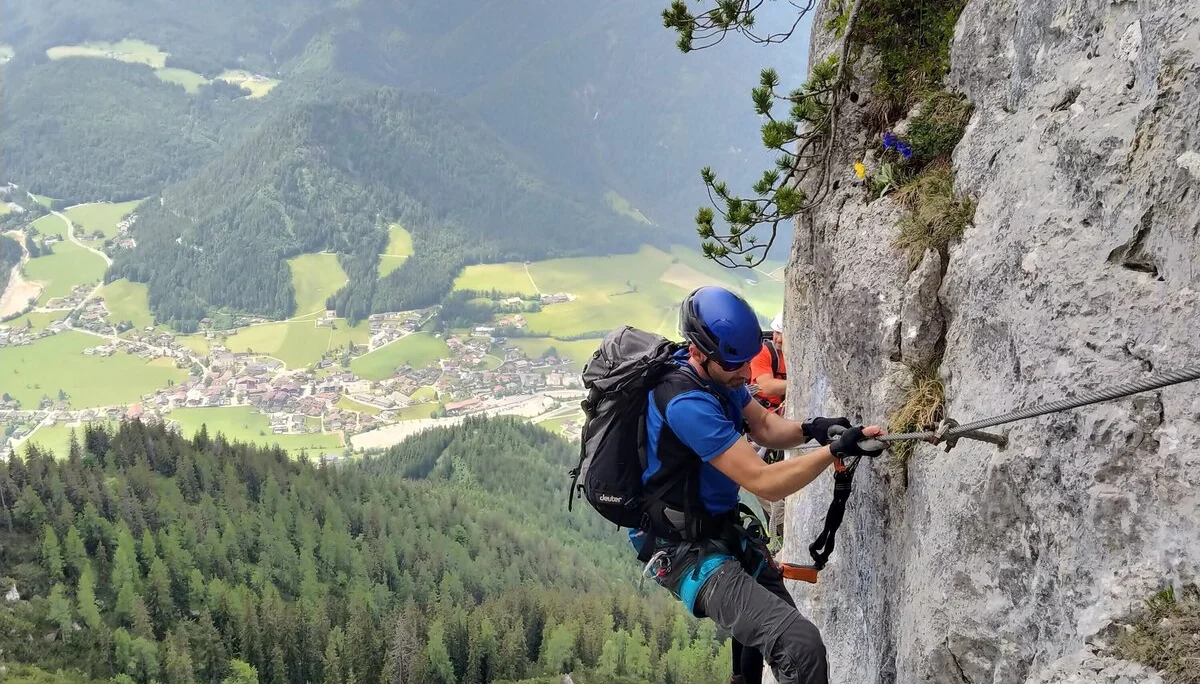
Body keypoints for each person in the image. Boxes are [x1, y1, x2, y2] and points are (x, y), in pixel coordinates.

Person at [630, 286, 886, 684]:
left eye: (748, 361)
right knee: (800, 647)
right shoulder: (686, 404)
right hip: (682, 550)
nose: (748, 375)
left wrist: (813, 429)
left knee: (778, 635)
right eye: (736, 365)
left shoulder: (720, 379)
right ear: (700, 353)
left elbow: (765, 425)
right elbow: (766, 483)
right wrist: (835, 450)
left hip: (718, 532)